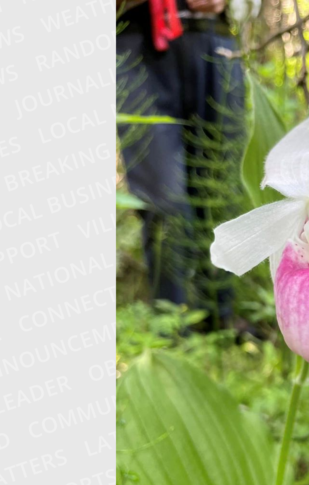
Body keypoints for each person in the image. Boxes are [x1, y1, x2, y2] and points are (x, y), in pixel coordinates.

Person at [117, 0, 255, 325]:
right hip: (138, 40)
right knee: (164, 198)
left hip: (215, 37)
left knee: (219, 190)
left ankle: (219, 319)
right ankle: (174, 325)